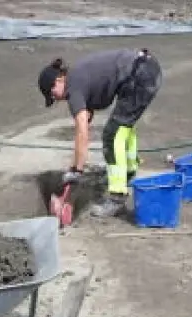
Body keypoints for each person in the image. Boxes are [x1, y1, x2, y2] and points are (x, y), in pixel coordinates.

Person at [37, 48, 163, 218]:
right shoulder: (77, 76)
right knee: (123, 127)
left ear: (59, 80)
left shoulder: (73, 87)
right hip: (146, 68)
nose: (57, 99)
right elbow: (95, 90)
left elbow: (82, 132)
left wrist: (77, 170)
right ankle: (128, 172)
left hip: (139, 76)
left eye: (53, 94)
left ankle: (117, 197)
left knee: (112, 135)